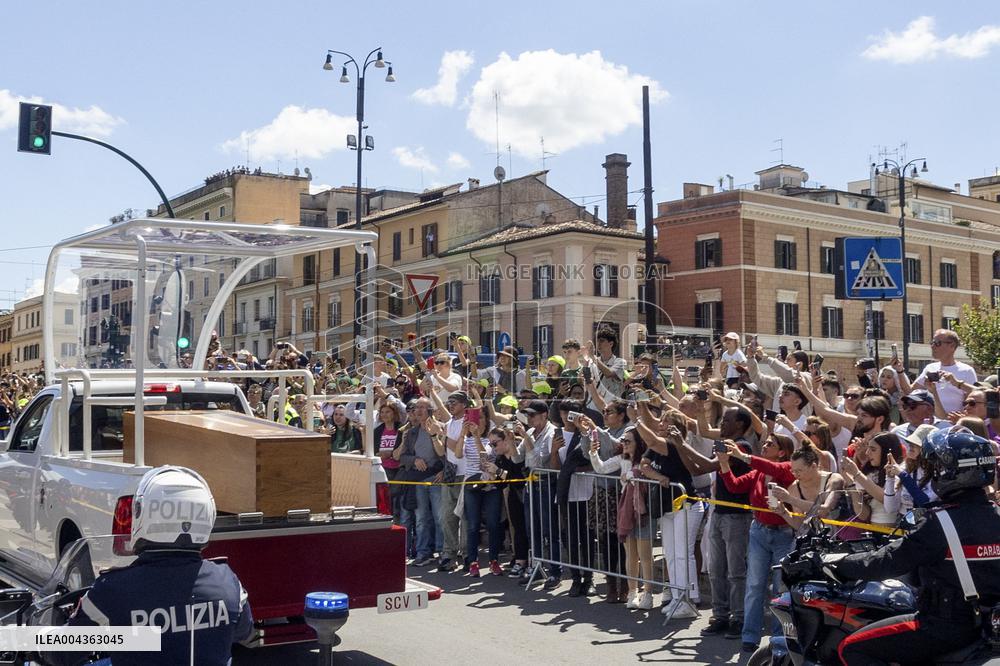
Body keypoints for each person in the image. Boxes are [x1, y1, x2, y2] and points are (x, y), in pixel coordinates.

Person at [823, 429, 1000, 665]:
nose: (929, 471)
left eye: (933, 466)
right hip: (989, 628)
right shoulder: (996, 515)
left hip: (945, 627)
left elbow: (888, 561)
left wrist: (835, 563)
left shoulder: (940, 522)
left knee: (852, 648)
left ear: (947, 471)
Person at [58, 467, 252, 665]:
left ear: (143, 513)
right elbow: (244, 631)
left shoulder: (113, 589)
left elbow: (64, 651)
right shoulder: (228, 582)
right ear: (207, 515)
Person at [718, 432, 797, 653]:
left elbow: (776, 469)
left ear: (782, 452)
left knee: (780, 587)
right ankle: (750, 636)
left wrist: (742, 456)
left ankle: (778, 638)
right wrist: (725, 464)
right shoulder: (758, 474)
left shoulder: (787, 468)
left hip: (783, 534)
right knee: (754, 585)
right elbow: (734, 486)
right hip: (759, 532)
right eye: (764, 442)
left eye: (770, 444)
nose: (764, 445)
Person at [911, 329, 978, 415]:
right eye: (932, 342)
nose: (932, 346)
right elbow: (910, 391)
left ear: (952, 346)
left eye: (937, 343)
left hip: (954, 424)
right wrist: (899, 372)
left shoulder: (967, 371)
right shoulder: (930, 368)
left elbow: (972, 404)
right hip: (931, 423)